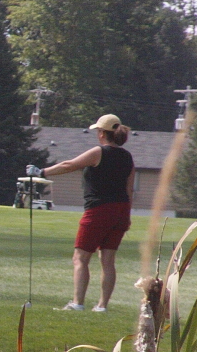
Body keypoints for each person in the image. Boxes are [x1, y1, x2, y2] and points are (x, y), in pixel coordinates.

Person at [27, 114, 135, 311]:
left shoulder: (99, 152)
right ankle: (102, 306)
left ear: (102, 133)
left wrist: (41, 172)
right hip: (121, 210)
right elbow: (129, 189)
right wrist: (126, 216)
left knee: (80, 258)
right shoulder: (127, 157)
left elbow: (69, 165)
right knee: (108, 261)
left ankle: (77, 303)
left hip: (99, 210)